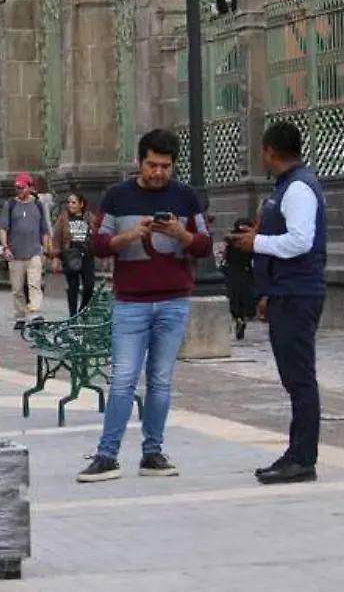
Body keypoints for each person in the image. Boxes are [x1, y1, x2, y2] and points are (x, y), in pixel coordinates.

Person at [76, 130, 212, 482]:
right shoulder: (118, 196)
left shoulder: (186, 197)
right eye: (152, 165)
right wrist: (132, 235)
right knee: (122, 379)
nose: (158, 173)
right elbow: (99, 244)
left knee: (161, 380)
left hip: (173, 301)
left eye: (166, 166)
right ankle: (107, 454)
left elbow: (204, 246)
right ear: (139, 162)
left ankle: (153, 453)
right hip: (131, 302)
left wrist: (180, 236)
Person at [228, 121, 326, 485]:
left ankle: (302, 459)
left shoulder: (298, 188)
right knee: (294, 378)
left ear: (270, 151)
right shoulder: (287, 187)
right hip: (286, 291)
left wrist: (258, 245)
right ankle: (296, 452)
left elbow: (300, 241)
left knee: (300, 379)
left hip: (298, 294)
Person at [0, 174, 49, 329]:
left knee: (34, 284)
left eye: (22, 187)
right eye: (17, 187)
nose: (19, 190)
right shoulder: (11, 205)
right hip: (15, 253)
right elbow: (3, 228)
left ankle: (34, 314)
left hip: (34, 251)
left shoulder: (38, 205)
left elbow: (44, 230)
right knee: (17, 287)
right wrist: (5, 247)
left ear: (30, 187)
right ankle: (20, 316)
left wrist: (45, 250)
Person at [52, 193, 98, 317]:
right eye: (69, 202)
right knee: (73, 287)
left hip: (87, 254)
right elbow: (57, 237)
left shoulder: (89, 217)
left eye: (74, 202)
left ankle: (82, 310)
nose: (70, 205)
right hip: (70, 254)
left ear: (81, 204)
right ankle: (72, 315)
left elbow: (98, 233)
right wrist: (56, 256)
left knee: (89, 285)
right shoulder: (64, 218)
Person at [222, 217, 257, 340]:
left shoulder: (249, 240)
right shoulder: (240, 239)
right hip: (240, 271)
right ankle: (240, 318)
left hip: (240, 271)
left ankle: (240, 318)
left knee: (237, 298)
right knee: (238, 298)